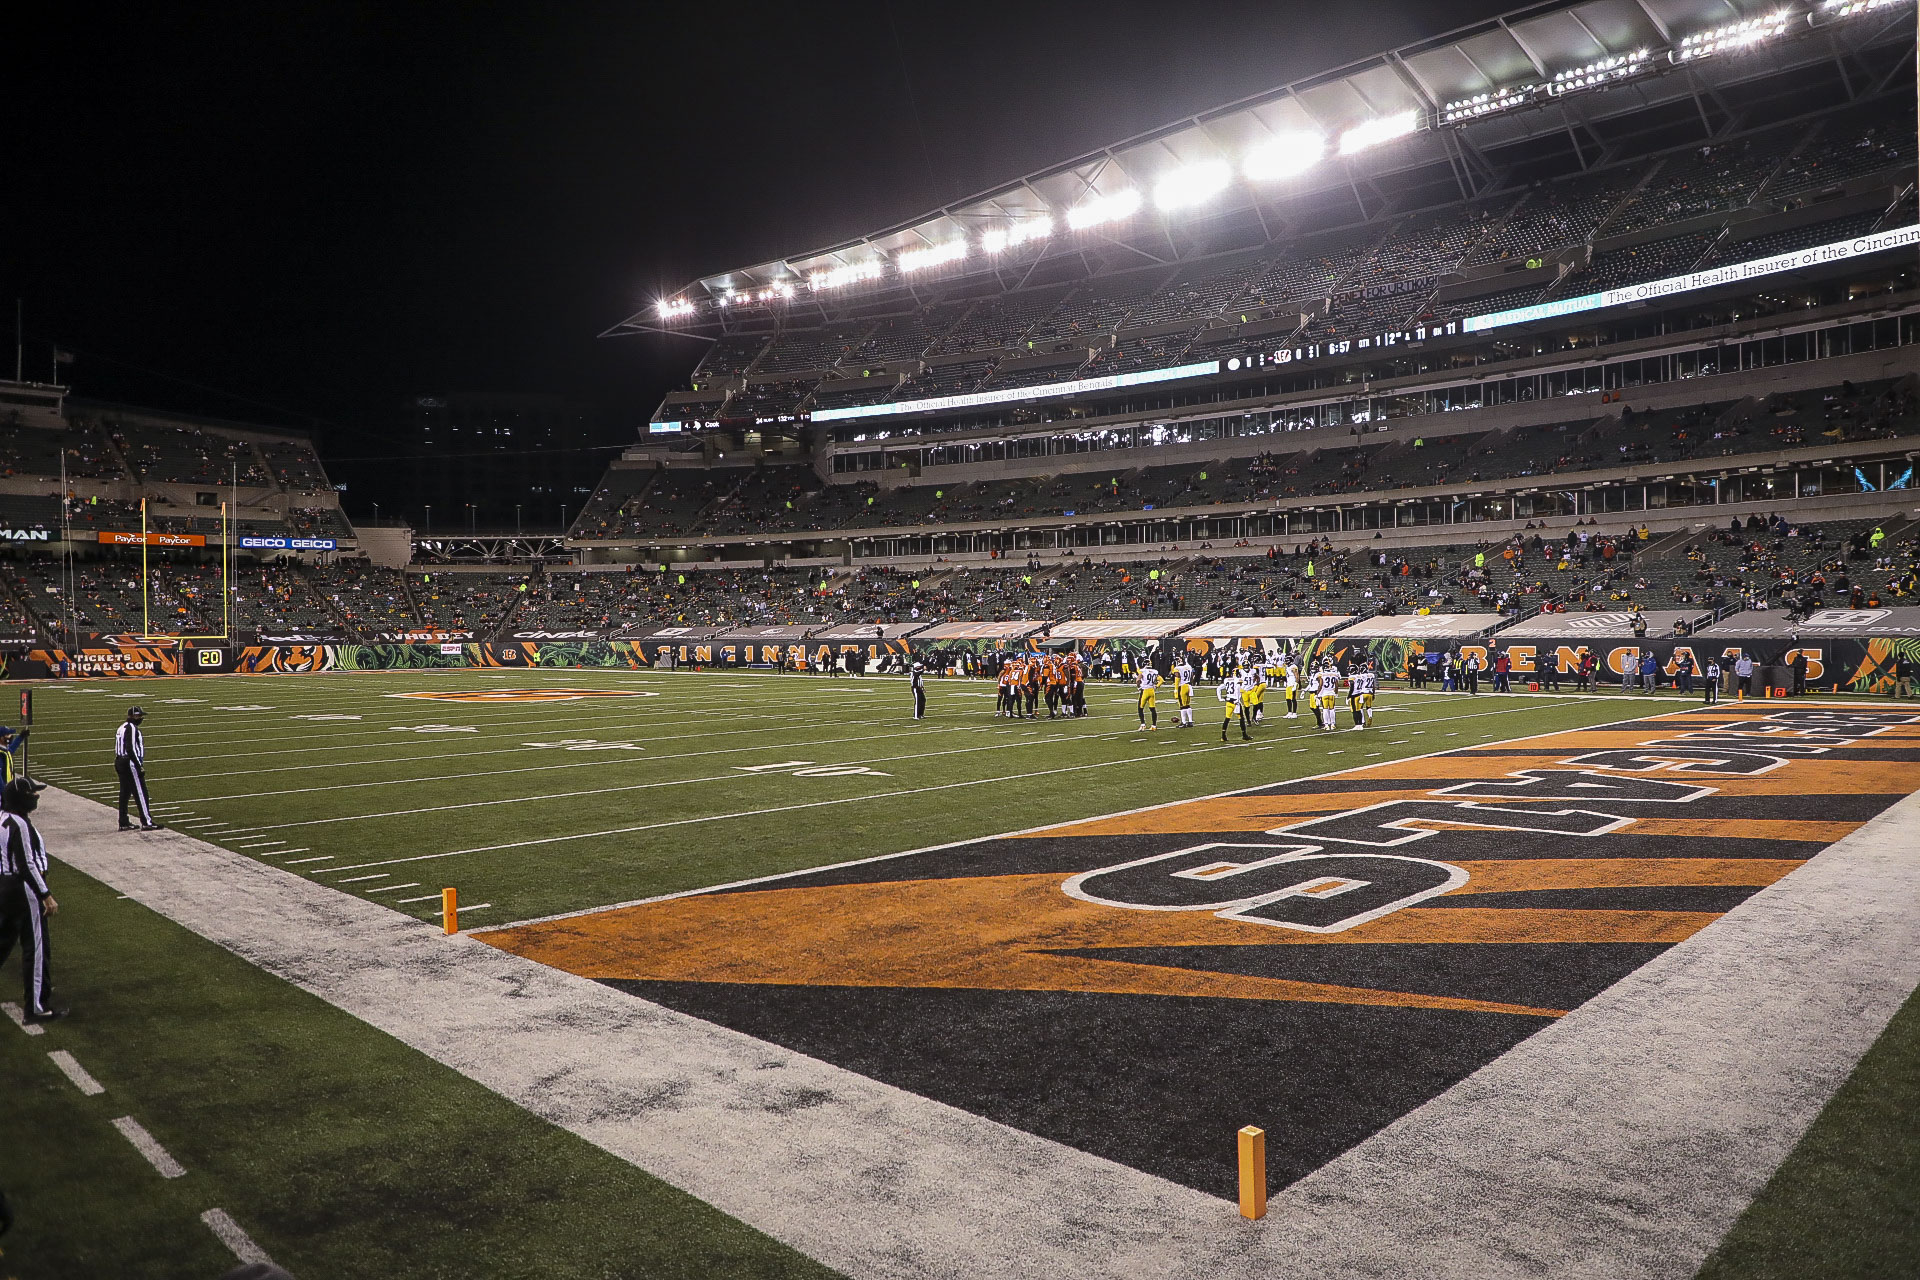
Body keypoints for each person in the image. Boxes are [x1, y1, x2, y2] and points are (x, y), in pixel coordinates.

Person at [0, 779, 62, 1022]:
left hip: (4, 886)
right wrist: (45, 894)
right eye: (31, 793)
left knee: (4, 940)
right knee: (36, 948)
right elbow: (27, 864)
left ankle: (39, 994)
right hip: (22, 888)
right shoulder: (20, 824)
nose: (35, 797)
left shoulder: (2, 818)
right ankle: (36, 1007)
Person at [114, 707, 158, 831]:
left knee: (125, 793)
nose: (141, 719)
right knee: (141, 792)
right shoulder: (131, 728)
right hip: (129, 762)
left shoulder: (122, 727)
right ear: (134, 716)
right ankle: (147, 821)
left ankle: (123, 821)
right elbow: (130, 748)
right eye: (139, 716)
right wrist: (139, 765)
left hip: (119, 761)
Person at [1219, 672, 1250, 743]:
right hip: (1235, 702)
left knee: (1227, 719)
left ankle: (1223, 736)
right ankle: (1244, 735)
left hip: (1228, 701)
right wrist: (1237, 700)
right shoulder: (1237, 680)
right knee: (1241, 718)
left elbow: (1219, 688)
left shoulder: (1227, 680)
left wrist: (1220, 698)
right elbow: (1237, 689)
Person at [1349, 661, 1376, 730]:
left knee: (1359, 708)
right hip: (1370, 692)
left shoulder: (1361, 676)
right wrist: (1373, 693)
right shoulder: (1372, 675)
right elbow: (1373, 685)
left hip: (1362, 693)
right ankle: (1370, 716)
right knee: (1368, 707)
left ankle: (1362, 722)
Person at [1136, 664, 1161, 730]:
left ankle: (1143, 724)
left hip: (1145, 691)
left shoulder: (1143, 671)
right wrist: (1156, 686)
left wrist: (1138, 687)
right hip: (1152, 691)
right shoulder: (1154, 671)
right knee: (1152, 708)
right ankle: (1154, 725)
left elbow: (1138, 680)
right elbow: (1161, 680)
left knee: (1140, 708)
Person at [1174, 659, 1195, 728]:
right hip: (1189, 686)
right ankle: (1190, 721)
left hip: (1182, 687)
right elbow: (1192, 676)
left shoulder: (1177, 668)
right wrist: (1190, 684)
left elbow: (1177, 679)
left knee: (1182, 705)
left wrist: (1176, 689)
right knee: (1187, 704)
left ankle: (1183, 722)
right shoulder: (1189, 667)